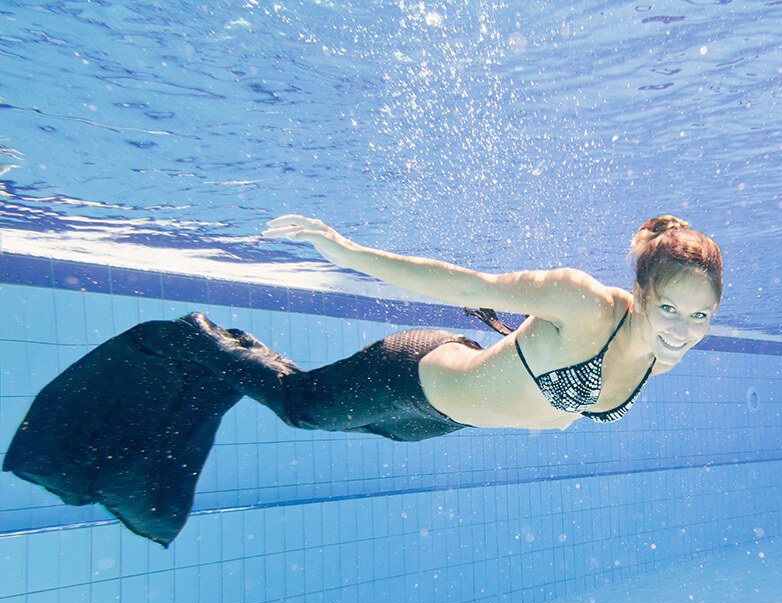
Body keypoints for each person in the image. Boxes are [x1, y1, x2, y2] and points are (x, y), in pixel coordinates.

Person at [3, 215, 723, 547]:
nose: (684, 328)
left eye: (702, 315)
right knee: (301, 408)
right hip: (414, 372)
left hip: (439, 419)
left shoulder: (670, 350)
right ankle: (202, 342)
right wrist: (343, 250)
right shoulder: (583, 303)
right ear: (641, 288)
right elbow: (460, 280)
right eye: (671, 309)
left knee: (343, 418)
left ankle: (237, 351)